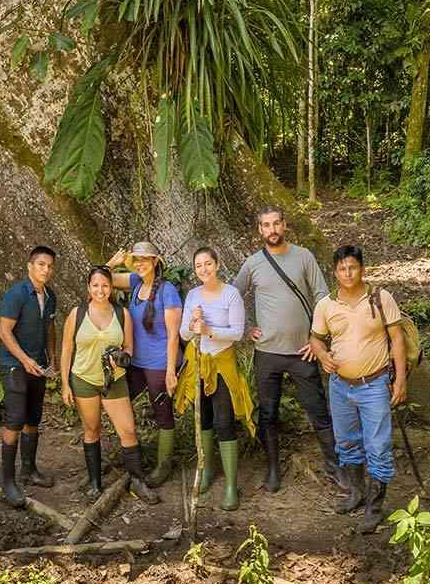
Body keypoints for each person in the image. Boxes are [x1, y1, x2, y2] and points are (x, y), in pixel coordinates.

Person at [231, 206, 345, 494]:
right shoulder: (254, 263)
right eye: (266, 225)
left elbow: (322, 296)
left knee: (318, 411)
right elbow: (232, 295)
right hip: (267, 353)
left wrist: (316, 338)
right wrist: (246, 329)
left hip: (302, 352)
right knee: (268, 414)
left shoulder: (303, 256)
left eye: (276, 224)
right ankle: (272, 469)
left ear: (285, 225)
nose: (272, 230)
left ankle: (335, 468)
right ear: (260, 230)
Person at [308, 244, 410, 532]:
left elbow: (397, 340)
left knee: (378, 446)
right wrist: (322, 355)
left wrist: (399, 379)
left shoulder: (380, 298)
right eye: (342, 268)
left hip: (374, 384)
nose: (348, 272)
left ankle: (374, 508)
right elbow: (315, 339)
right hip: (340, 387)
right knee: (347, 442)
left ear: (362, 269)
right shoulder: (326, 305)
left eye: (352, 267)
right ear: (335, 272)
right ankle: (357, 493)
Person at [58, 265, 152, 497]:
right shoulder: (77, 314)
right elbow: (67, 350)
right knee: (92, 429)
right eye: (96, 285)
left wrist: (121, 359)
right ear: (89, 287)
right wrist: (65, 383)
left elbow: (129, 346)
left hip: (115, 380)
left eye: (105, 285)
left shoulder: (122, 314)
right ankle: (94, 483)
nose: (101, 290)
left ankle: (137, 482)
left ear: (111, 287)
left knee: (128, 431)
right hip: (84, 379)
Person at [179, 245, 254, 510]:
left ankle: (232, 486)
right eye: (198, 266)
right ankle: (207, 470)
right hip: (199, 364)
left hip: (222, 364)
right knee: (204, 420)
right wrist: (192, 325)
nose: (203, 269)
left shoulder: (231, 295)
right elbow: (184, 334)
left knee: (224, 421)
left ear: (217, 264)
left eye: (208, 264)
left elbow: (236, 333)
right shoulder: (192, 296)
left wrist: (208, 329)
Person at [109, 241, 182, 488]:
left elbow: (174, 335)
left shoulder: (167, 290)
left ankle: (163, 465)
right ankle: (132, 451)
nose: (140, 264)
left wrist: (171, 370)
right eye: (136, 260)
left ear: (155, 262)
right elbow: (101, 281)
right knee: (119, 400)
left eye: (144, 259)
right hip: (135, 362)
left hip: (159, 363)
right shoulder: (135, 282)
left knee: (162, 412)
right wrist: (113, 263)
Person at [0, 244, 61, 507]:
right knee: (15, 419)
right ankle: (8, 481)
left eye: (50, 266)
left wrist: (52, 359)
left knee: (33, 417)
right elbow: (4, 332)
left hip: (39, 365)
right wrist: (25, 360)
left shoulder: (50, 295)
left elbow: (50, 329)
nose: (46, 269)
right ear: (30, 266)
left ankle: (29, 470)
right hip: (15, 365)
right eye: (41, 264)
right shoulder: (16, 294)